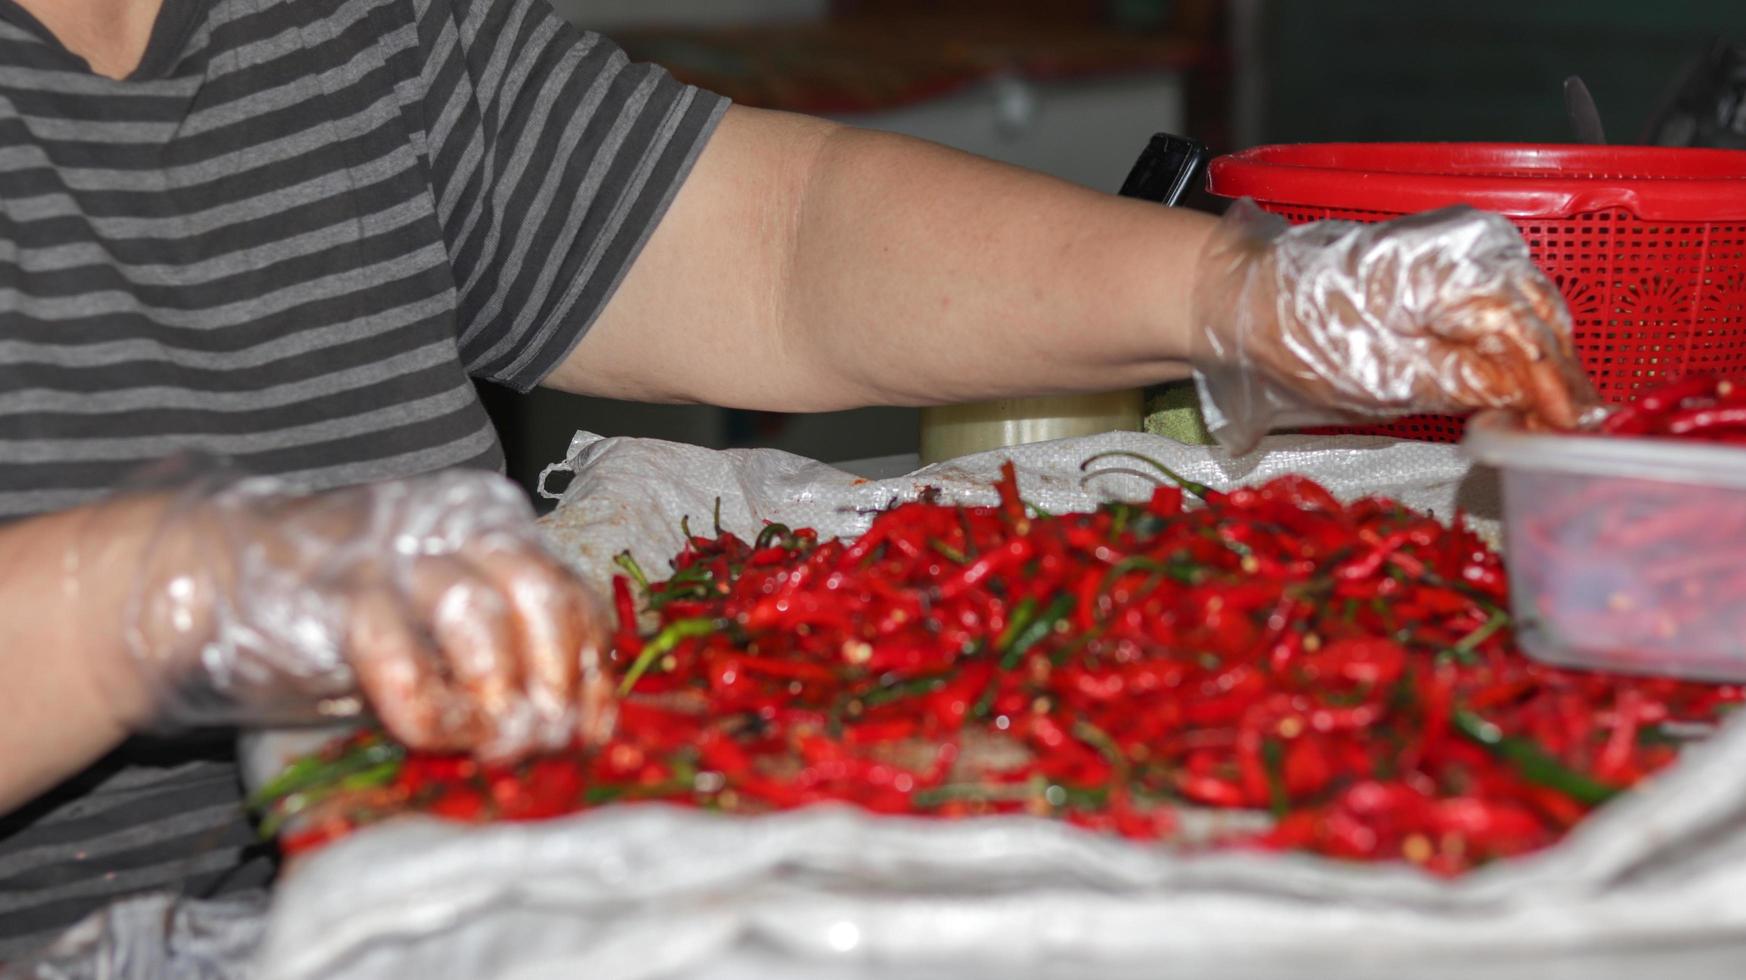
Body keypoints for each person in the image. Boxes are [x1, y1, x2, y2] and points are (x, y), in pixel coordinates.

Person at [0, 0, 1595, 958]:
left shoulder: (351, 33)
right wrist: (146, 597)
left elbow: (770, 246)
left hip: (402, 906)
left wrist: (1236, 297)